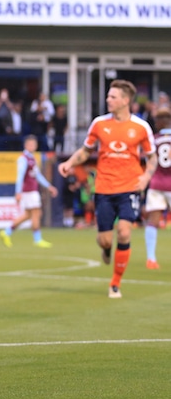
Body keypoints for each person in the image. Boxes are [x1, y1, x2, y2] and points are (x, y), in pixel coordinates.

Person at [58, 79, 156, 299]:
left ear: (125, 100)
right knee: (106, 239)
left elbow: (152, 158)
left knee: (123, 231)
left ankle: (115, 283)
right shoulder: (99, 124)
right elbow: (85, 151)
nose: (108, 100)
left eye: (112, 96)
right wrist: (70, 163)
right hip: (104, 188)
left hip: (130, 187)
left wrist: (145, 178)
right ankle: (105, 249)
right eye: (108, 96)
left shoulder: (141, 127)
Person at [0, 135, 58, 248]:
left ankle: (6, 232)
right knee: (37, 213)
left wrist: (49, 186)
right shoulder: (23, 159)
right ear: (26, 145)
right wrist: (18, 192)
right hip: (29, 191)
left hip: (32, 190)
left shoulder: (32, 158)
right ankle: (37, 239)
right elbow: (20, 176)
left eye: (34, 144)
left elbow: (38, 176)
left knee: (27, 215)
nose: (32, 146)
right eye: (30, 144)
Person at [143, 107, 171, 269]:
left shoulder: (153, 139)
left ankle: (151, 258)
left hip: (157, 183)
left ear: (161, 122)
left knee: (153, 221)